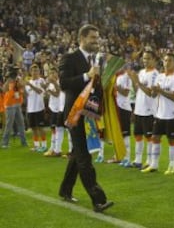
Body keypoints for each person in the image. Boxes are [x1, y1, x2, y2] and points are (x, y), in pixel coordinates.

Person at [58, 24, 113, 212]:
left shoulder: (96, 60)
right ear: (81, 38)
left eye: (97, 38)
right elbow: (63, 83)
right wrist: (85, 76)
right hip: (74, 114)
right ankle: (98, 199)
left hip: (89, 113)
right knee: (83, 156)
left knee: (77, 154)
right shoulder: (69, 58)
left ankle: (65, 190)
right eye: (92, 38)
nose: (96, 41)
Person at [141, 52, 174, 174]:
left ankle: (171, 165)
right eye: (165, 60)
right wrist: (154, 91)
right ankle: (154, 164)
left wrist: (160, 90)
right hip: (160, 114)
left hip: (172, 114)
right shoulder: (159, 76)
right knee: (155, 138)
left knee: (171, 140)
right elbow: (154, 95)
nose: (167, 63)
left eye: (170, 60)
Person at [128, 50, 159, 169]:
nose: (145, 61)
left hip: (149, 110)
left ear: (154, 60)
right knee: (138, 135)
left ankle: (150, 161)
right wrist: (133, 80)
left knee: (149, 137)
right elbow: (138, 91)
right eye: (144, 58)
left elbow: (151, 93)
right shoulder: (141, 72)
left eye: (148, 58)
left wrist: (138, 82)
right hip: (139, 108)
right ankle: (138, 160)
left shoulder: (155, 74)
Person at [1, 66, 28, 148]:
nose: (16, 72)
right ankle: (4, 143)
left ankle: (24, 142)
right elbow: (4, 90)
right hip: (9, 105)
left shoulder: (18, 79)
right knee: (9, 124)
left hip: (17, 104)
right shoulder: (9, 79)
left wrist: (19, 80)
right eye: (15, 71)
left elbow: (23, 87)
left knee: (21, 124)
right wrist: (9, 80)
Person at [24, 64, 47, 152]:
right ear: (30, 72)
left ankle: (44, 145)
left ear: (39, 72)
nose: (35, 72)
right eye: (33, 71)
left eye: (36, 71)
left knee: (40, 127)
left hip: (39, 108)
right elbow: (26, 95)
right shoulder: (28, 82)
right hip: (31, 109)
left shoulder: (41, 80)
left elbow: (40, 91)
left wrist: (30, 85)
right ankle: (37, 145)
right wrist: (23, 87)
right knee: (33, 128)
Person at [115, 67, 133, 167]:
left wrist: (116, 87)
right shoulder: (118, 77)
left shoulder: (126, 76)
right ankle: (122, 157)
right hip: (118, 107)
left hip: (124, 107)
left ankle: (127, 158)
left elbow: (126, 93)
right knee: (121, 134)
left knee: (125, 134)